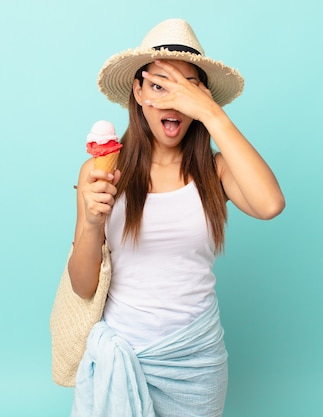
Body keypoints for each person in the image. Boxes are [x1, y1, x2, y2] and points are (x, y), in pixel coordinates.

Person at [68, 18, 285, 417]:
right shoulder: (101, 172)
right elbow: (83, 287)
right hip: (124, 354)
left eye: (187, 87)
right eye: (159, 85)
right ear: (137, 90)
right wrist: (94, 222)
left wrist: (212, 115)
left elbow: (270, 204)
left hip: (195, 363)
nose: (173, 101)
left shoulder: (215, 172)